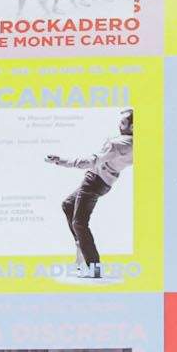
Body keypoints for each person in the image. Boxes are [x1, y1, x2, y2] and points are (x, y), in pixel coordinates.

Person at [46, 108, 133, 281]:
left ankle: (93, 267)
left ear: (133, 127)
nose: (119, 125)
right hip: (105, 183)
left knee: (79, 223)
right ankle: (81, 244)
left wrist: (59, 160)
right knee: (68, 205)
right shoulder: (137, 143)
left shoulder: (118, 144)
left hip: (94, 181)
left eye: (123, 123)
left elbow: (89, 161)